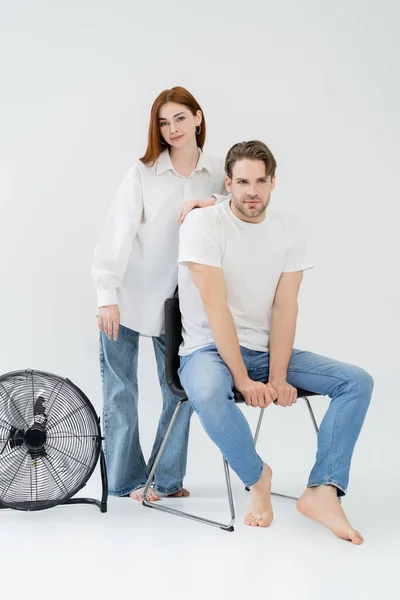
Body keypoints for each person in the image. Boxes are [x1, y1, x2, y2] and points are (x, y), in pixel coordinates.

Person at [177, 140, 373, 543]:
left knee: (357, 381)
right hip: (207, 350)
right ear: (228, 183)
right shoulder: (203, 224)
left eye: (261, 181)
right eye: (243, 181)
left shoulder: (290, 228)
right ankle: (257, 477)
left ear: (273, 183)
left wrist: (279, 375)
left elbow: (285, 307)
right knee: (210, 392)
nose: (252, 191)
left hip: (265, 352)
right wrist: (243, 380)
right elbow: (216, 308)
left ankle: (323, 490)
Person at [92, 86, 227, 501]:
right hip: (127, 297)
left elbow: (240, 205)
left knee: (179, 390)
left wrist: (210, 201)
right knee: (121, 392)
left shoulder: (217, 172)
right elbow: (118, 232)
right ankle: (126, 480)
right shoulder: (143, 172)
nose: (172, 129)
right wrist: (106, 294)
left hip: (181, 305)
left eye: (180, 119)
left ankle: (164, 479)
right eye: (164, 123)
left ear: (198, 117)